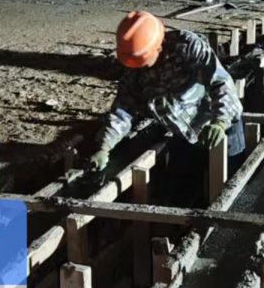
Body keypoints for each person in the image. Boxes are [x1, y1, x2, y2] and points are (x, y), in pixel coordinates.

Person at [88, 11, 244, 195]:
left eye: (143, 61)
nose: (139, 67)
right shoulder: (132, 69)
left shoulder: (187, 47)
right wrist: (104, 147)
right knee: (181, 192)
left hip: (220, 126)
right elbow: (123, 109)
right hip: (183, 133)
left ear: (158, 47)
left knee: (229, 188)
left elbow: (220, 82)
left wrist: (220, 122)